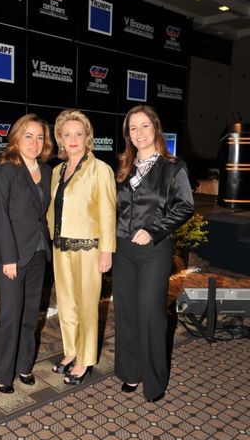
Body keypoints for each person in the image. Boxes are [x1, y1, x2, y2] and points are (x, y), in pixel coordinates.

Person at [112, 104, 194, 402]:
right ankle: (130, 372)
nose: (139, 133)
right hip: (123, 250)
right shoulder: (123, 168)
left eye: (144, 126)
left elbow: (185, 206)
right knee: (126, 313)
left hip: (154, 251)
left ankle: (155, 381)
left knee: (150, 313)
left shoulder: (173, 167)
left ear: (155, 128)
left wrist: (155, 229)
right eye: (133, 128)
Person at [47, 109, 116, 385]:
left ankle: (86, 359)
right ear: (60, 139)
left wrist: (106, 250)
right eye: (67, 134)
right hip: (60, 247)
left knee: (88, 305)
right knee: (66, 303)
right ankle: (71, 350)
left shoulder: (101, 169)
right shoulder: (56, 171)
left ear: (88, 137)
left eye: (79, 133)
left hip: (89, 250)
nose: (73, 139)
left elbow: (108, 212)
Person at [0, 113, 53, 394]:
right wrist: (9, 258)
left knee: (30, 315)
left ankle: (24, 365)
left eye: (39, 137)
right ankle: (1, 372)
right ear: (16, 137)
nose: (34, 142)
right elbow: (0, 215)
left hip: (39, 253)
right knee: (11, 315)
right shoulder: (6, 169)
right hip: (12, 257)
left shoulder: (47, 171)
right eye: (28, 135)